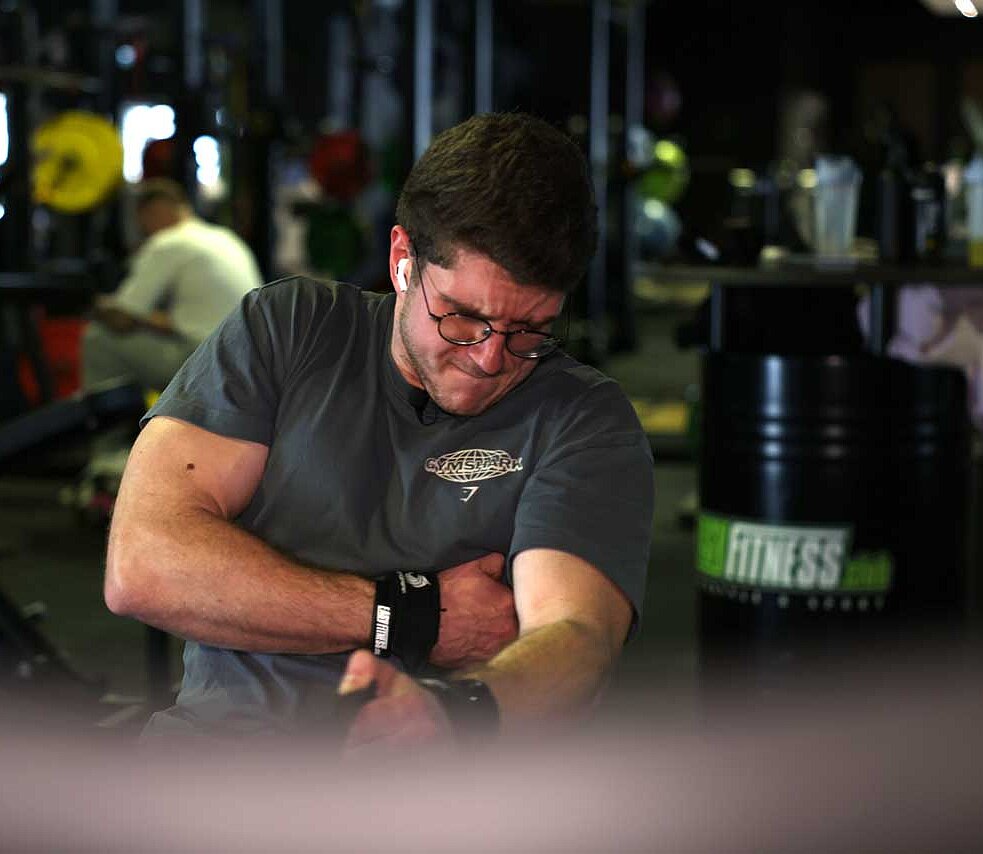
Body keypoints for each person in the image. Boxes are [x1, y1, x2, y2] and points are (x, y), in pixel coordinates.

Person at [104, 113, 655, 749]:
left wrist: (455, 716)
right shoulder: (289, 330)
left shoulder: (582, 416)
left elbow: (577, 638)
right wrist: (407, 616)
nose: (490, 358)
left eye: (530, 329)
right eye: (462, 317)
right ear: (402, 260)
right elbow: (141, 564)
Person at [82, 178, 264, 393]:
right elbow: (191, 321)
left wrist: (94, 305)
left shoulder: (169, 241)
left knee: (98, 339)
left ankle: (107, 424)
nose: (142, 229)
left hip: (209, 363)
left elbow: (122, 318)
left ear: (152, 213)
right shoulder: (225, 238)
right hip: (254, 362)